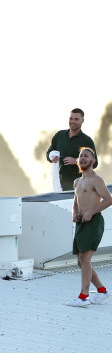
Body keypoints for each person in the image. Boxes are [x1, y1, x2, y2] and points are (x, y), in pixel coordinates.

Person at [66, 147, 111, 307]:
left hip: (94, 222)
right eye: (80, 156)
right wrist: (75, 214)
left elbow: (108, 199)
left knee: (85, 259)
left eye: (86, 156)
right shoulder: (77, 181)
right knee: (80, 261)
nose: (83, 158)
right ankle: (102, 291)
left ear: (93, 161)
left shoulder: (96, 180)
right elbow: (75, 203)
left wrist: (91, 212)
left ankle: (83, 296)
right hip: (81, 224)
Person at [46, 108, 98, 191]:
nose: (72, 121)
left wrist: (76, 161)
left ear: (82, 121)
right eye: (71, 118)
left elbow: (94, 163)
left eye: (76, 119)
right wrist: (52, 158)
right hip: (59, 185)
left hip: (80, 186)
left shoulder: (87, 141)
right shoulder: (59, 136)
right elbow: (49, 153)